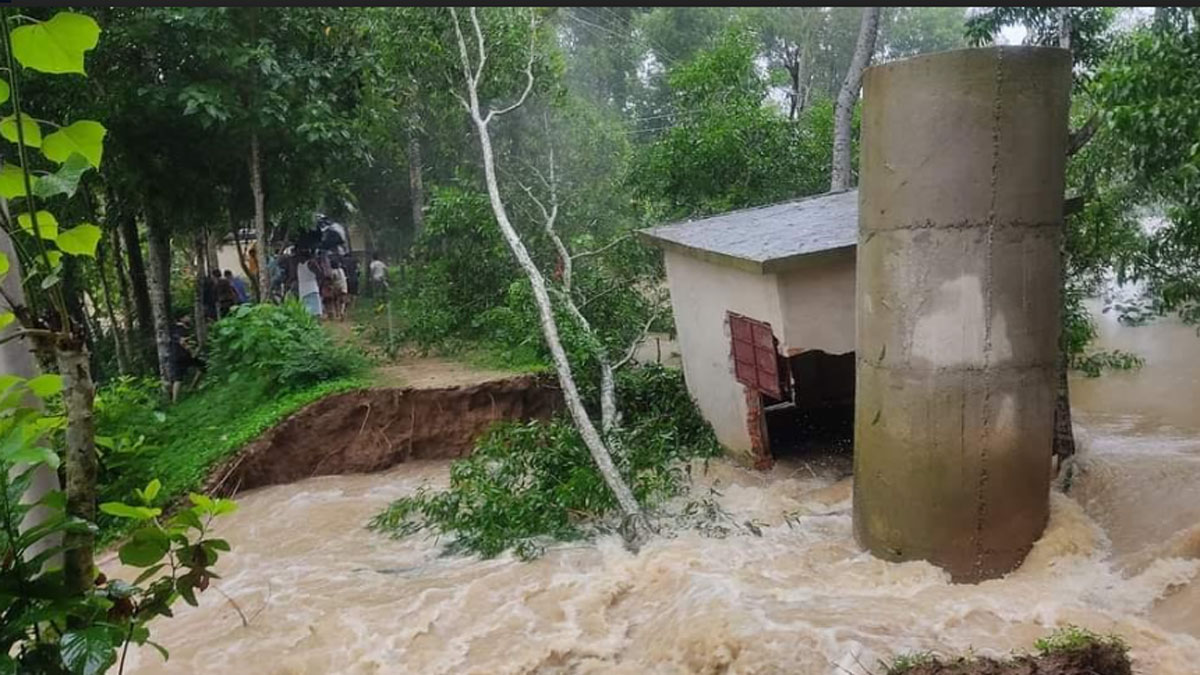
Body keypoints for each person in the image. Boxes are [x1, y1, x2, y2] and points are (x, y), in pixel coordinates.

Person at [169, 315, 205, 403]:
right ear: (181, 318)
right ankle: (177, 399)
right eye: (187, 316)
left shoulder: (174, 329)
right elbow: (183, 342)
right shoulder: (180, 329)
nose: (189, 318)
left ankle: (178, 399)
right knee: (179, 378)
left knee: (179, 378)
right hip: (182, 355)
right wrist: (191, 350)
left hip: (178, 355)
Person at [296, 250, 323, 318]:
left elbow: (319, 274)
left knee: (312, 314)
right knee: (310, 314)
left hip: (309, 291)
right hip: (307, 290)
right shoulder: (301, 265)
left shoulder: (308, 264)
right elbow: (320, 274)